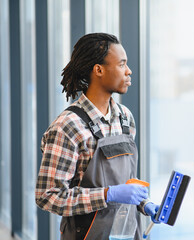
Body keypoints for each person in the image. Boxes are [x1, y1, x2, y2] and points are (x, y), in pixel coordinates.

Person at [35, 33, 159, 240]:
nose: (129, 71)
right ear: (99, 70)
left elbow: (122, 182)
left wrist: (143, 203)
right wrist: (107, 195)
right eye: (121, 65)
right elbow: (48, 196)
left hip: (126, 234)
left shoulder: (125, 118)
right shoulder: (68, 126)